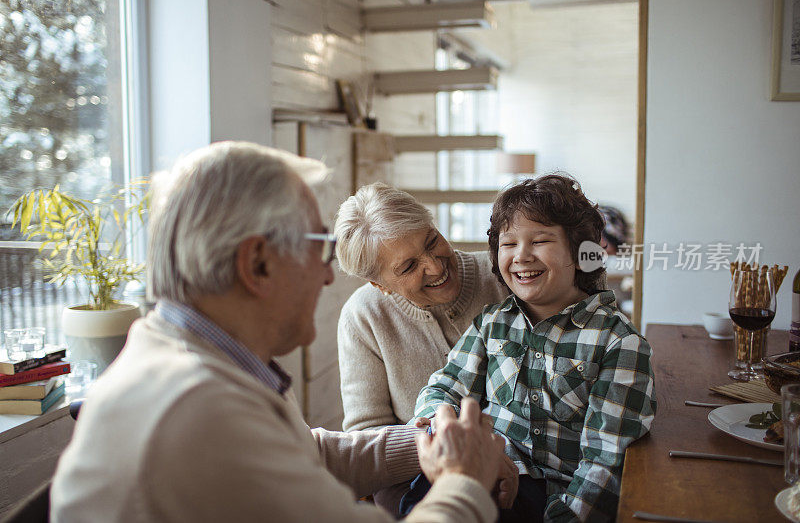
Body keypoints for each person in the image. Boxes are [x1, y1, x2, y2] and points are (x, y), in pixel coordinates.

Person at [49, 142, 511, 523]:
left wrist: (427, 441)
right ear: (257, 264)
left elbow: (308, 453)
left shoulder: (193, 361)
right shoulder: (199, 405)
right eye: (317, 248)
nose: (328, 277)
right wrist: (463, 482)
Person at [407, 175, 657, 522]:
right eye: (508, 244)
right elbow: (443, 389)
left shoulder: (619, 343)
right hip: (484, 472)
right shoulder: (491, 324)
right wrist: (449, 433)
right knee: (418, 499)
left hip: (556, 499)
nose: (522, 255)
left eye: (539, 240)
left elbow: (607, 462)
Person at [334, 183, 511, 512]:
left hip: (525, 472)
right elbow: (369, 437)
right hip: (415, 487)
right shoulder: (362, 317)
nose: (435, 265)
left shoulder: (505, 277)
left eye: (432, 241)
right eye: (408, 267)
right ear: (379, 284)